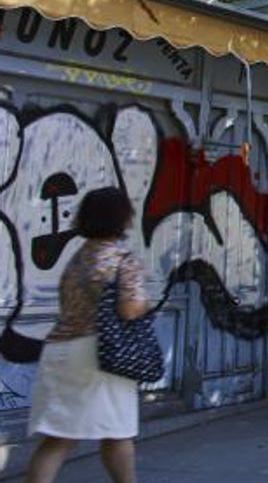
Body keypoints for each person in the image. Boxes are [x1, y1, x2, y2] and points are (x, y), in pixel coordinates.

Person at [25, 187, 149, 483]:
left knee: (58, 439)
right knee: (117, 433)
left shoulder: (77, 259)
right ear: (122, 218)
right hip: (101, 355)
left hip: (60, 350)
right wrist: (145, 303)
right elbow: (130, 309)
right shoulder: (122, 260)